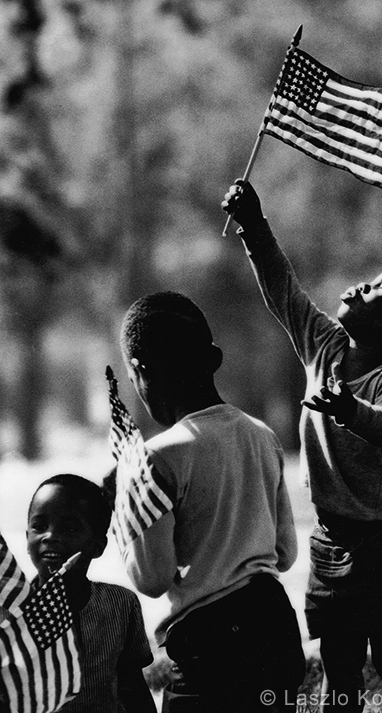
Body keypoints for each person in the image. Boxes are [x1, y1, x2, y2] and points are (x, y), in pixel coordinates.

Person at [222, 180, 382, 713]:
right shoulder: (323, 346)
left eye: (378, 291)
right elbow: (283, 290)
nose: (359, 286)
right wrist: (254, 227)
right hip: (332, 538)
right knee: (339, 664)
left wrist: (348, 410)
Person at [118, 291, 305, 713]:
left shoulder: (154, 458)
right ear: (214, 359)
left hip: (211, 647)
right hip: (276, 628)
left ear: (139, 371)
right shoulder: (261, 434)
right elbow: (286, 553)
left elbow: (152, 578)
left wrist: (126, 513)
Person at [26, 473, 156, 713]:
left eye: (70, 528)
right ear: (26, 538)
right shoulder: (10, 610)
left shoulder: (119, 604)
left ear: (98, 545)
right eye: (39, 526)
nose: (51, 536)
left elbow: (132, 684)